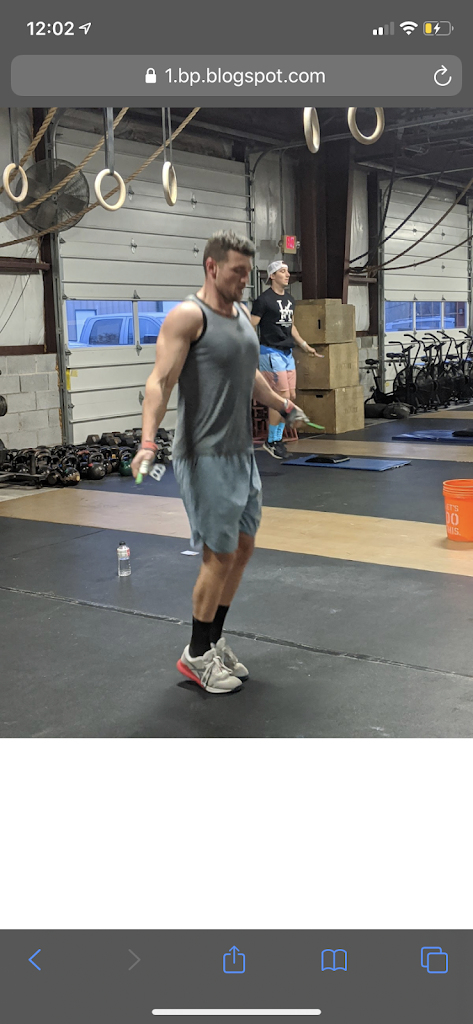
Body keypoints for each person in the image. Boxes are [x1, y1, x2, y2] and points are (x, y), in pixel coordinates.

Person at [131, 230, 308, 695]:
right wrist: (147, 441)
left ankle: (213, 639)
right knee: (220, 554)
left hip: (240, 454)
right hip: (204, 454)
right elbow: (159, 382)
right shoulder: (189, 317)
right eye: (237, 272)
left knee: (243, 547)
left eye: (249, 273)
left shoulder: (242, 318)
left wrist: (283, 404)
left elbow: (250, 375)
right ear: (212, 267)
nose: (245, 281)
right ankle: (195, 654)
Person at [250, 260, 323, 459]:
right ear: (272, 276)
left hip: (287, 353)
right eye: (282, 271)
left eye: (287, 271)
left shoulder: (290, 300)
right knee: (280, 399)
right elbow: (251, 324)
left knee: (290, 397)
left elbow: (291, 326)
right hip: (270, 352)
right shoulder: (264, 300)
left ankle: (277, 438)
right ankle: (272, 441)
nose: (287, 274)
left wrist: (305, 345)